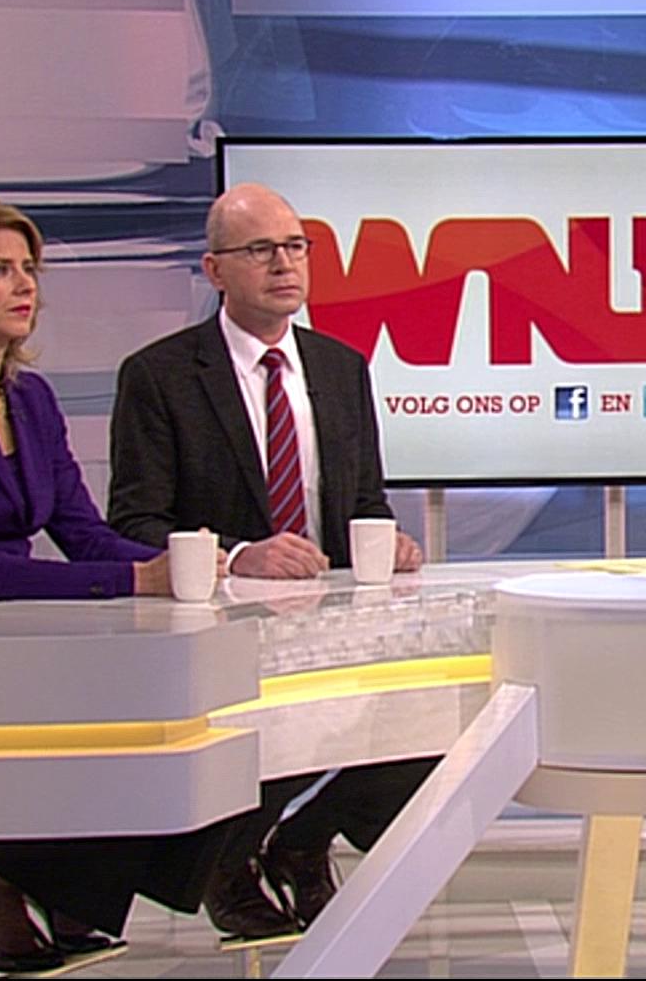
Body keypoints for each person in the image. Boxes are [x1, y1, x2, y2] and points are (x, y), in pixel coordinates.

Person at [0, 194, 233, 973]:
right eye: (0, 270)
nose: (26, 285)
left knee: (197, 705)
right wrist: (136, 580)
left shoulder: (30, 398)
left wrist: (183, 566)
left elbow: (82, 532)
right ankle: (9, 882)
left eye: (29, 268)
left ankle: (56, 887)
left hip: (9, 629)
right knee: (134, 706)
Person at [108, 181, 432, 940]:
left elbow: (366, 500)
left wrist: (390, 543)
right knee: (271, 728)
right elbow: (134, 522)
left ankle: (303, 840)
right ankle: (226, 862)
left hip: (339, 627)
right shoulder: (160, 375)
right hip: (227, 634)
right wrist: (238, 557)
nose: (284, 264)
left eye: (295, 246)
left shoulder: (342, 367)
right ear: (215, 269)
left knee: (440, 712)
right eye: (260, 250)